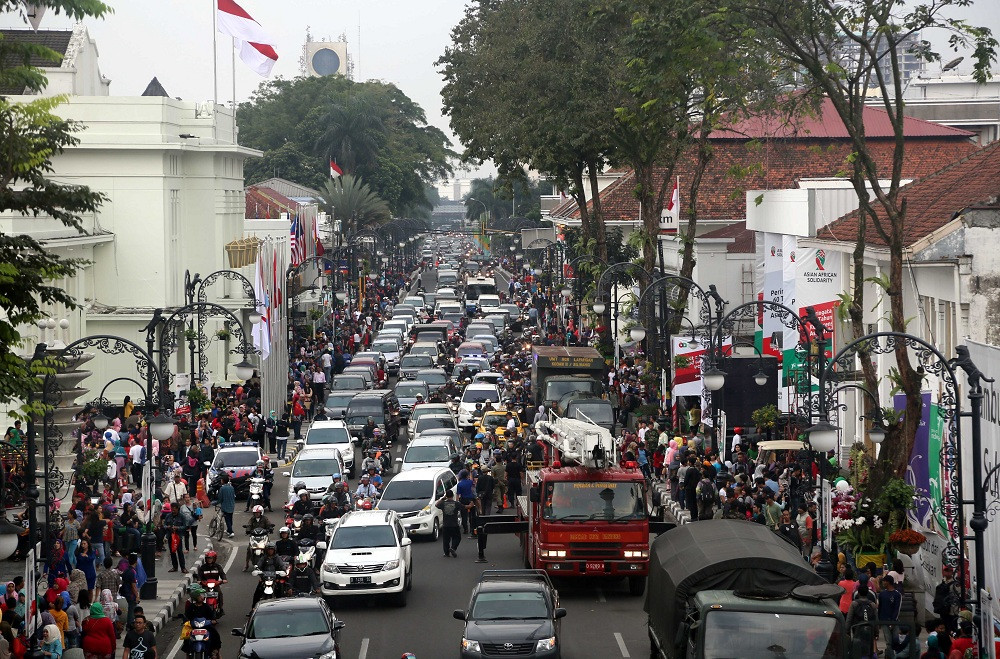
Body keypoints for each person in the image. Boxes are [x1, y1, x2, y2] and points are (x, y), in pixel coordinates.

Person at [181, 586, 220, 659]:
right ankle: (187, 652)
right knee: (187, 638)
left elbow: (212, 615)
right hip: (194, 627)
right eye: (200, 595)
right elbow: (187, 616)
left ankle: (215, 651)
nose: (202, 597)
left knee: (215, 634)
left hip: (206, 626)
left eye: (203, 595)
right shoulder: (191, 607)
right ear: (196, 597)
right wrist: (185, 621)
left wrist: (213, 620)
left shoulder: (206, 606)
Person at [846, 582, 879, 659]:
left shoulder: (854, 604)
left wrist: (847, 631)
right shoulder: (872, 604)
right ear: (867, 593)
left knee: (858, 648)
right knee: (868, 649)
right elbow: (876, 619)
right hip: (869, 629)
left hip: (857, 629)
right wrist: (876, 633)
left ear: (858, 593)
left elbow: (849, 619)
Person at [194, 551, 228, 615]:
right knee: (201, 595)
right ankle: (200, 608)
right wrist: (199, 580)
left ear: (214, 559)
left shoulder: (218, 567)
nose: (209, 560)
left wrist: (224, 579)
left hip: (215, 584)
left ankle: (221, 608)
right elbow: (199, 575)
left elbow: (222, 574)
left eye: (210, 558)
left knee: (220, 594)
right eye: (208, 558)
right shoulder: (203, 567)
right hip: (205, 585)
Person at [932, 565, 960, 634]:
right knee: (945, 627)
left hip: (952, 610)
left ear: (952, 572)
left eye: (949, 571)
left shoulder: (955, 584)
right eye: (946, 570)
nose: (948, 573)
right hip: (943, 610)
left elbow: (958, 595)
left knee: (952, 628)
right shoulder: (942, 583)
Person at [435, 490, 463, 558]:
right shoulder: (456, 503)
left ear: (446, 496)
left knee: (446, 540)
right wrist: (470, 505)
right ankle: (453, 548)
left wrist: (443, 498)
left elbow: (436, 505)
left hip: (445, 525)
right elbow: (464, 507)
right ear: (453, 495)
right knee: (457, 537)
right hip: (454, 524)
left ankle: (446, 553)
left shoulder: (443, 503)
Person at [877, 575, 902, 645]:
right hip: (884, 620)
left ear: (888, 582)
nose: (883, 583)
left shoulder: (897, 594)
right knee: (888, 641)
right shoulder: (882, 594)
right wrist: (879, 620)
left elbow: (897, 608)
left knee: (895, 640)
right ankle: (889, 655)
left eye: (884, 581)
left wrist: (893, 621)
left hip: (894, 621)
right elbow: (880, 607)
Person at [455, 469, 478, 536]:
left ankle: (465, 529)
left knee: (464, 515)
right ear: (467, 475)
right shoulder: (470, 482)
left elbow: (458, 494)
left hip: (463, 500)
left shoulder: (459, 484)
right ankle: (472, 528)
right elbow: (473, 484)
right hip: (471, 499)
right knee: (472, 515)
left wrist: (457, 502)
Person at [214, 474, 236, 538]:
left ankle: (231, 531)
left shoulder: (222, 488)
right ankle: (229, 530)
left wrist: (216, 503)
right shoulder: (231, 487)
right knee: (230, 518)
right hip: (231, 505)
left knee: (227, 519)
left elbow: (220, 498)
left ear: (222, 481)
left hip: (225, 506)